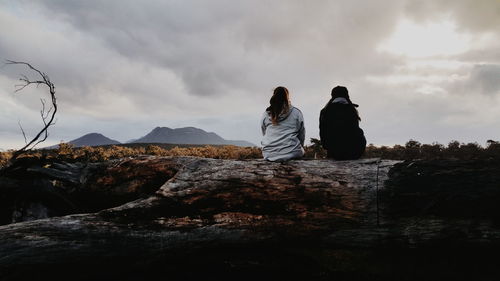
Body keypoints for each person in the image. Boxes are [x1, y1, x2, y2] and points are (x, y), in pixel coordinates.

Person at [319, 85, 366, 160]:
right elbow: (355, 132)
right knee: (360, 132)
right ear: (347, 95)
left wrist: (328, 148)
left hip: (334, 152)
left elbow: (322, 133)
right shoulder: (351, 109)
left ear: (332, 95)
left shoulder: (325, 111)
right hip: (353, 152)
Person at [261, 86, 305, 162]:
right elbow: (301, 134)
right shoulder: (296, 113)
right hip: (292, 152)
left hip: (269, 154)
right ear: (287, 97)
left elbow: (264, 132)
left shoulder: (266, 114)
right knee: (302, 152)